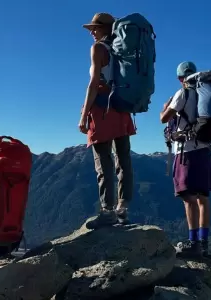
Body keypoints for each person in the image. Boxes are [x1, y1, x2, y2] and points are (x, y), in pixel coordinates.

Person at [79, 13, 136, 229]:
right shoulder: (124, 51)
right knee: (124, 160)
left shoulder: (99, 49)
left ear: (106, 29)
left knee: (103, 161)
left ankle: (107, 211)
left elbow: (94, 83)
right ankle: (123, 210)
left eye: (95, 28)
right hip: (122, 108)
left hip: (103, 109)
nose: (92, 32)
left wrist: (84, 115)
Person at [160, 61, 211, 257]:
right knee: (203, 197)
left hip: (186, 151)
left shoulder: (182, 93)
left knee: (188, 198)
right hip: (205, 150)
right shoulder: (206, 93)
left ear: (180, 78)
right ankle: (204, 243)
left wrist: (165, 108)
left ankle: (193, 243)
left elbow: (164, 118)